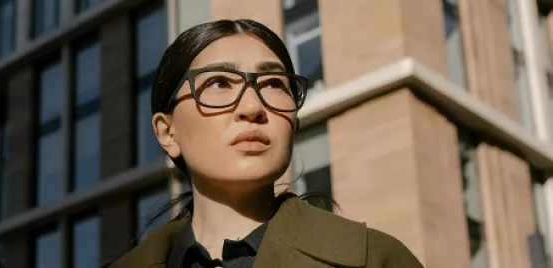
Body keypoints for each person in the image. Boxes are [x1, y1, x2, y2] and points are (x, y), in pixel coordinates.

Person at [109, 19, 423, 268]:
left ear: (294, 123)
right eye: (218, 83)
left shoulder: (377, 260)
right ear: (167, 132)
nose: (252, 108)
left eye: (273, 84)